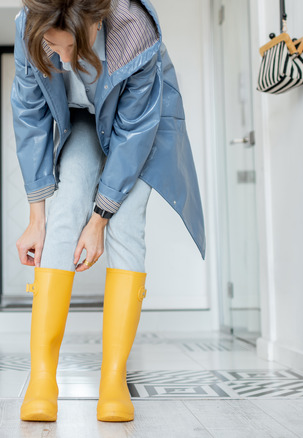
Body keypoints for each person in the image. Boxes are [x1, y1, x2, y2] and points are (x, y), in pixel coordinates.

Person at [11, 0, 206, 423]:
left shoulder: (135, 32)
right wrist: (35, 217)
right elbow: (28, 115)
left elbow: (134, 133)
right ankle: (42, 376)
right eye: (52, 48)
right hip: (82, 119)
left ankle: (114, 379)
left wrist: (100, 218)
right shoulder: (32, 25)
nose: (61, 59)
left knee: (126, 226)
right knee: (62, 214)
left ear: (97, 25)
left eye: (70, 50)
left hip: (140, 126)